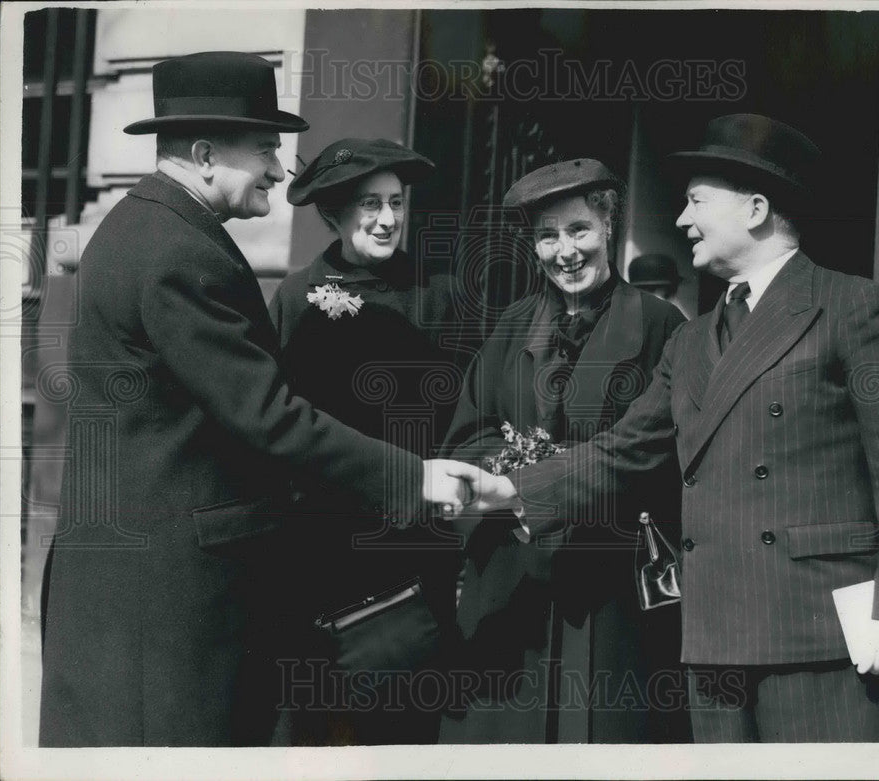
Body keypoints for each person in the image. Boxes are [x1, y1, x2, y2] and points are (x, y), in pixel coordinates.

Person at [38, 52, 481, 747]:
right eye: (267, 150)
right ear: (205, 155)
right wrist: (415, 476)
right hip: (166, 600)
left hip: (136, 587)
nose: (279, 170)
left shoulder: (142, 227)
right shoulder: (181, 254)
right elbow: (268, 414)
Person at [468, 114, 879, 743]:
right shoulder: (691, 340)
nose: (681, 220)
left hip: (821, 637)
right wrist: (512, 489)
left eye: (696, 202)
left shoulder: (852, 307)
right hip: (713, 641)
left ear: (755, 209)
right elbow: (624, 451)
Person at [438, 159, 689, 743]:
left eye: (579, 230)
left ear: (609, 228)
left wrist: (564, 483)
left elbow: (663, 448)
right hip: (515, 573)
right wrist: (509, 468)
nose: (565, 251)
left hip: (610, 578)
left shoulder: (660, 325)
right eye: (548, 236)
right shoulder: (512, 325)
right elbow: (469, 434)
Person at [268, 138, 463, 745]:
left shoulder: (439, 293)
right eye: (369, 204)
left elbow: (465, 413)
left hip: (416, 540)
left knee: (406, 719)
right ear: (334, 212)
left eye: (396, 203)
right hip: (323, 543)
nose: (387, 219)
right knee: (323, 722)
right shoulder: (296, 298)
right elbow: (274, 422)